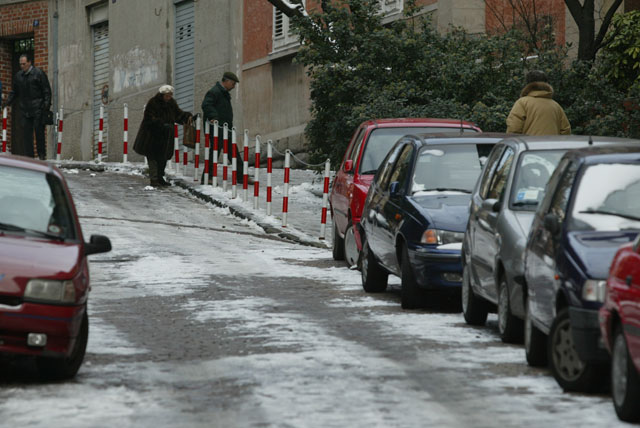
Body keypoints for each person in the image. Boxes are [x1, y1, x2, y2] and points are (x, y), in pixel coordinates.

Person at [133, 85, 192, 187]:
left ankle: (160, 178)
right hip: (152, 136)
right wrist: (161, 123)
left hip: (165, 137)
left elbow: (178, 115)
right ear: (162, 95)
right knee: (152, 158)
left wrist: (187, 117)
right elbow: (148, 118)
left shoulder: (172, 103)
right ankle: (154, 179)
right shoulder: (153, 102)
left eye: (170, 95)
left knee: (162, 158)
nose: (169, 97)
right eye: (167, 95)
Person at [5, 54, 52, 159]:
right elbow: (14, 92)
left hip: (38, 108)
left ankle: (41, 156)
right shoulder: (18, 76)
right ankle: (29, 157)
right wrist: (7, 102)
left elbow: (46, 91)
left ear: (30, 62)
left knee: (39, 133)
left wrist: (46, 107)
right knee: (26, 135)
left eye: (24, 64)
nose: (22, 66)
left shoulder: (39, 73)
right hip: (25, 109)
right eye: (20, 64)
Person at [201, 71, 241, 184]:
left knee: (233, 152)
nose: (234, 86)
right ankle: (207, 177)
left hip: (225, 128)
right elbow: (206, 105)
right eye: (233, 84)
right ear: (226, 81)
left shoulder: (223, 93)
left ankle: (242, 176)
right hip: (216, 129)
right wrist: (213, 116)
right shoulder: (214, 92)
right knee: (214, 153)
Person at [506, 70, 571, 136]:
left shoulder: (522, 103)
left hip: (529, 142)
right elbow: (565, 130)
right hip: (552, 142)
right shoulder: (556, 106)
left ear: (527, 84)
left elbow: (514, 128)